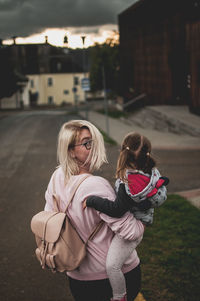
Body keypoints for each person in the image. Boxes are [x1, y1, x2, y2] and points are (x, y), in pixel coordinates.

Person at [44, 120, 145, 301]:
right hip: (112, 278)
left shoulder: (57, 176)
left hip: (77, 277)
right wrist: (142, 217)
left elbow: (50, 216)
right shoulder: (95, 185)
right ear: (71, 151)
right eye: (86, 143)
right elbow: (131, 232)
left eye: (93, 141)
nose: (93, 147)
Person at [84, 132, 169, 301]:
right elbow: (158, 194)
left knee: (112, 266)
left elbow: (117, 210)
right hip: (140, 222)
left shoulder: (128, 184)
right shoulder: (150, 171)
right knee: (121, 259)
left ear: (123, 152)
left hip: (132, 229)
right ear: (147, 153)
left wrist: (93, 201)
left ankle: (119, 296)